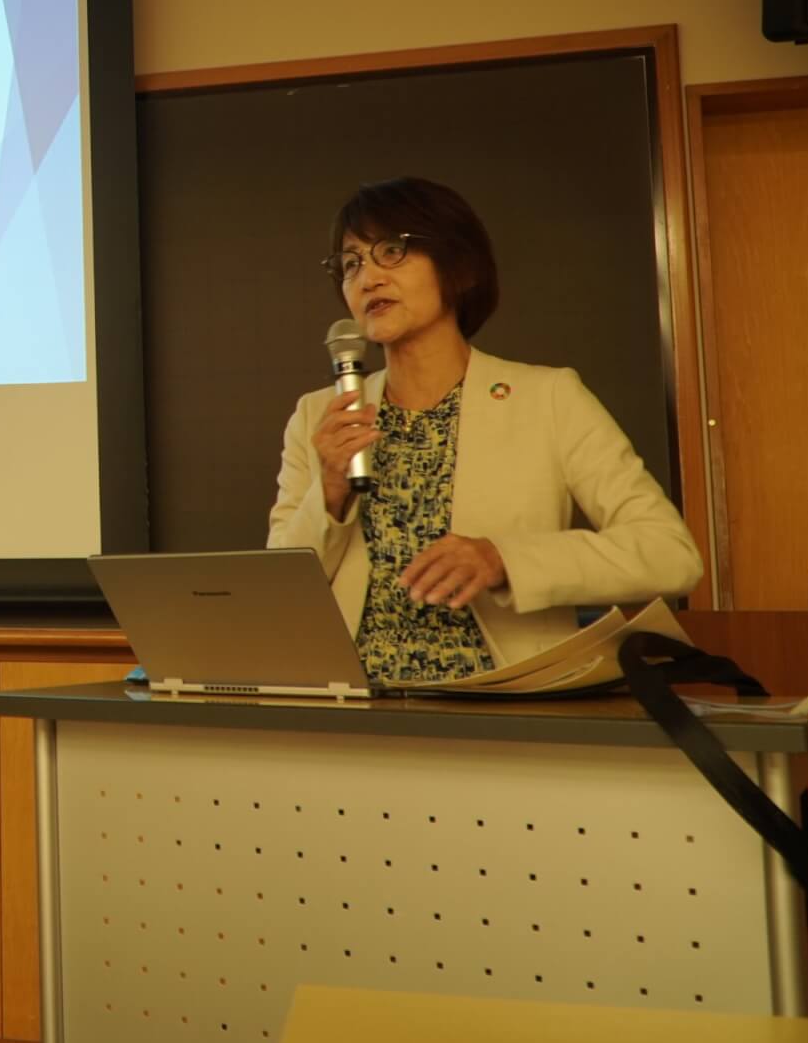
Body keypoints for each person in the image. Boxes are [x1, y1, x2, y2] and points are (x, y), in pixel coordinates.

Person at [267, 177, 703, 684]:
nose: (367, 278)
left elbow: (669, 556)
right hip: (356, 705)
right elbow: (278, 592)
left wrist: (504, 560)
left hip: (501, 702)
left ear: (459, 265)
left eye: (391, 251)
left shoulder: (548, 398)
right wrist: (329, 491)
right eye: (351, 263)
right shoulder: (318, 416)